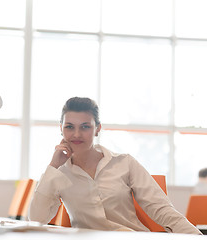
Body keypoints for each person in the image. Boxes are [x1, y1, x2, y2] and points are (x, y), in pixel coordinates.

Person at [28, 97, 201, 234]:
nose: (77, 134)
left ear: (97, 129)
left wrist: (197, 237)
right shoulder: (59, 173)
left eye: (85, 126)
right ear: (61, 129)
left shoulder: (124, 163)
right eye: (69, 127)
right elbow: (36, 219)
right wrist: (53, 166)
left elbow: (160, 208)